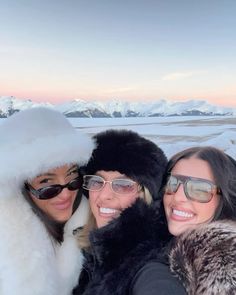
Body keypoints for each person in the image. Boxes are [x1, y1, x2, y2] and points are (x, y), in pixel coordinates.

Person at [73, 129, 186, 295]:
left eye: (123, 185)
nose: (104, 196)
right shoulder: (80, 247)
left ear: (146, 194)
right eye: (97, 181)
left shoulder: (151, 263)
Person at [0, 107, 94, 295]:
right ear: (21, 189)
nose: (66, 194)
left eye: (73, 179)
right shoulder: (7, 255)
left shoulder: (91, 231)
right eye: (47, 184)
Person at [163, 146, 236, 294]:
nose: (177, 197)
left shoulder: (224, 261)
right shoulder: (157, 243)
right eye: (173, 183)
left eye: (199, 189)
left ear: (225, 200)